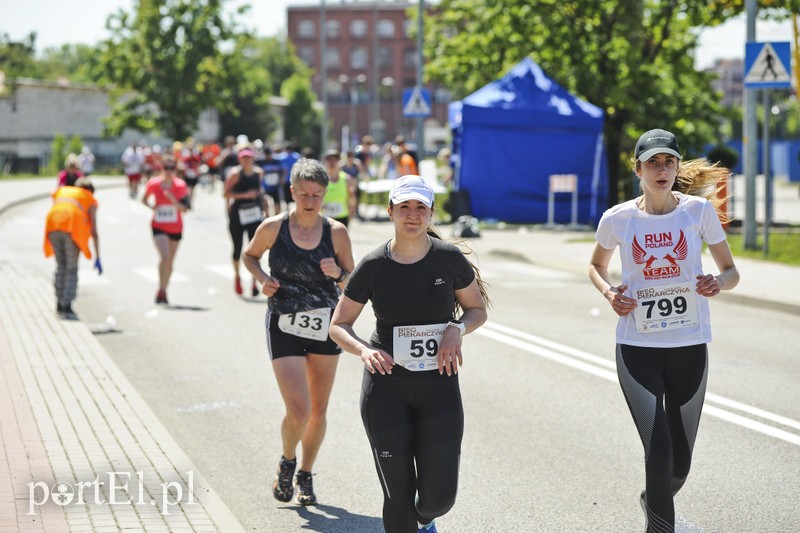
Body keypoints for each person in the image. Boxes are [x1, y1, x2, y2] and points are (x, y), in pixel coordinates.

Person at [588, 129, 740, 533]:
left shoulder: (698, 212)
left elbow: (731, 271)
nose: (661, 169)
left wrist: (718, 283)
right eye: (652, 162)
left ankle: (651, 499)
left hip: (690, 344)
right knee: (658, 452)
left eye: (668, 161)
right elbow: (596, 265)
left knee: (680, 464)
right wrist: (608, 292)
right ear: (637, 169)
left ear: (676, 166)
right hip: (637, 345)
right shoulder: (618, 218)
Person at [329, 174, 489, 533]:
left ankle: (423, 520)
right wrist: (363, 350)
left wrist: (456, 328)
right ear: (390, 211)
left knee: (439, 498)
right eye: (404, 207)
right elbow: (338, 325)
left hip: (439, 388)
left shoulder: (448, 259)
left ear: (432, 214)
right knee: (397, 497)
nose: (412, 215)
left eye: (420, 207)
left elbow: (477, 310)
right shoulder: (373, 265)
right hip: (386, 389)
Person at [241, 158, 355, 507]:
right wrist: (263, 280)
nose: (309, 200)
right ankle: (287, 460)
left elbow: (352, 280)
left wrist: (337, 272)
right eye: (303, 193)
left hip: (324, 324)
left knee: (318, 411)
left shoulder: (336, 232)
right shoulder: (274, 227)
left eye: (316, 195)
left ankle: (305, 473)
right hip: (284, 321)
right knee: (299, 410)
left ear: (324, 195)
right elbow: (250, 256)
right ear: (292, 191)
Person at [43, 178, 102, 318]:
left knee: (60, 265)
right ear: (90, 191)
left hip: (52, 226)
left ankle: (59, 301)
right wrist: (98, 257)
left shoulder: (63, 191)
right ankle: (66, 305)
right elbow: (94, 231)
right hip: (71, 229)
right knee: (71, 268)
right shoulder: (89, 198)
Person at [142, 156, 191, 304]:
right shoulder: (154, 184)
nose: (169, 171)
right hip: (158, 226)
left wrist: (173, 200)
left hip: (175, 227)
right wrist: (152, 207)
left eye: (172, 168)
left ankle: (163, 290)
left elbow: (185, 209)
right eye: (166, 168)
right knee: (164, 257)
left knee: (170, 262)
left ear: (175, 170)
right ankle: (161, 288)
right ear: (161, 169)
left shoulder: (180, 186)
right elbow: (143, 199)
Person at [224, 147, 264, 297]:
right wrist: (244, 195)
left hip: (254, 215)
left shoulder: (259, 173)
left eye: (249, 158)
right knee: (237, 246)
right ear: (239, 160)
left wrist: (265, 207)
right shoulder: (235, 174)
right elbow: (226, 193)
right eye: (243, 158)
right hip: (238, 215)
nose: (247, 161)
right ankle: (237, 277)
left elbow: (260, 191)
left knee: (254, 249)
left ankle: (254, 282)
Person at [320, 149, 353, 227]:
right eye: (329, 160)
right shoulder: (320, 179)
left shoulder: (347, 179)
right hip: (325, 217)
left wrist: (351, 216)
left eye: (335, 160)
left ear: (339, 161)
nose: (332, 162)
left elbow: (352, 200)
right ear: (325, 162)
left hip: (342, 217)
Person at [258, 145, 286, 217]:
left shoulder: (277, 161)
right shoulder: (261, 162)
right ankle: (267, 217)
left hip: (275, 186)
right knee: (265, 201)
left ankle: (277, 217)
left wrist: (282, 179)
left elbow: (283, 170)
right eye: (266, 154)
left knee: (277, 203)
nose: (268, 156)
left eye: (269, 154)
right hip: (265, 186)